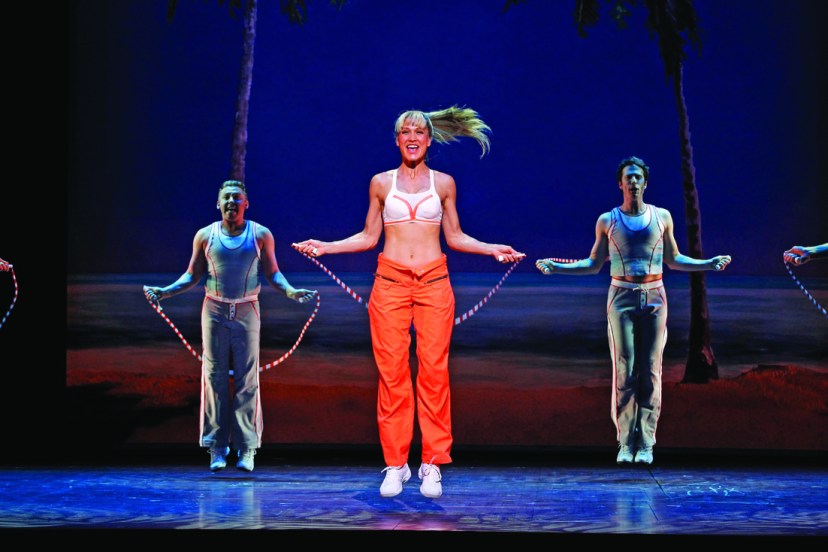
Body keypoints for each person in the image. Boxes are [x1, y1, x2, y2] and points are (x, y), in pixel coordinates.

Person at [293, 106, 524, 499]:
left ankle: (431, 463)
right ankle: (396, 464)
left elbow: (455, 236)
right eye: (405, 131)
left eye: (419, 131)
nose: (412, 137)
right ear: (397, 140)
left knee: (434, 373)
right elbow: (368, 237)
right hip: (390, 284)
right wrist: (326, 247)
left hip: (434, 284)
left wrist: (492, 249)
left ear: (429, 140)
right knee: (392, 374)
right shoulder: (381, 183)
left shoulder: (444, 183)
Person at [535, 156, 731, 466]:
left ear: (646, 183)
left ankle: (647, 443)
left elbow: (674, 259)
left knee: (651, 369)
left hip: (655, 296)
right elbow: (593, 264)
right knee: (625, 369)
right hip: (621, 296)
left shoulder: (661, 217)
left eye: (638, 177)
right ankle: (625, 442)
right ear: (620, 183)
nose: (634, 182)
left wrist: (707, 263)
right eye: (629, 177)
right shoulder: (607, 220)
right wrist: (557, 268)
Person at [143, 180, 317, 473]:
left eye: (237, 198)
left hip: (248, 309)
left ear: (246, 203)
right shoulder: (205, 235)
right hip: (214, 310)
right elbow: (191, 275)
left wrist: (291, 292)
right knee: (214, 376)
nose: (231, 202)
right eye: (226, 197)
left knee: (248, 379)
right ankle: (217, 446)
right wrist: (165, 291)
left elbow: (274, 273)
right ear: (218, 203)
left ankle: (247, 447)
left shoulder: (260, 234)